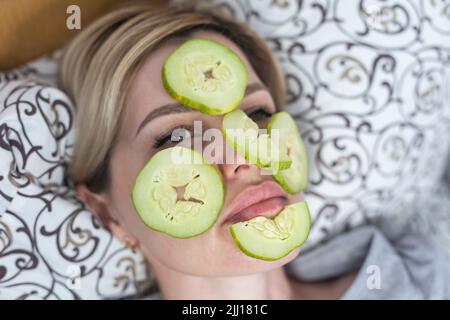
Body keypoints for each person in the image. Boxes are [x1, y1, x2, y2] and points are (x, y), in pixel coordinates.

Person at [59, 1, 450, 299]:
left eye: (258, 113)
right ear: (105, 211)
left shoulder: (419, 269)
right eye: (177, 137)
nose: (243, 157)